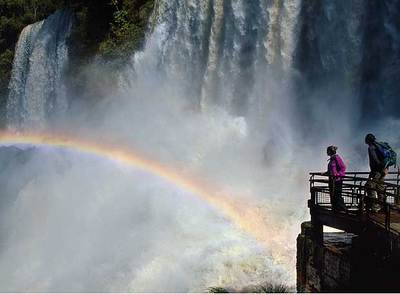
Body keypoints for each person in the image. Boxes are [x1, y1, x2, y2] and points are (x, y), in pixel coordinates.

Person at [364, 133, 387, 212]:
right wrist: (385, 169)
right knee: (380, 187)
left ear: (368, 140)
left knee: (369, 186)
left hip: (376, 171)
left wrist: (377, 170)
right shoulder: (379, 146)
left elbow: (375, 160)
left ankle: (375, 206)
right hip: (382, 170)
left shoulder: (371, 148)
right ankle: (383, 206)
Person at [325, 145, 347, 212]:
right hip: (332, 180)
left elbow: (343, 168)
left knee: (337, 194)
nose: (326, 152)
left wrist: (337, 175)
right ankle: (335, 209)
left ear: (330, 151)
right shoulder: (332, 159)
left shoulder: (336, 158)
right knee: (333, 194)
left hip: (337, 180)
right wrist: (326, 173)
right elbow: (332, 169)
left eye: (327, 151)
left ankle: (342, 209)